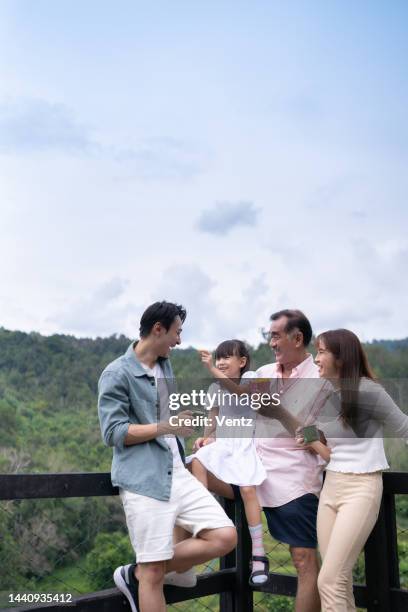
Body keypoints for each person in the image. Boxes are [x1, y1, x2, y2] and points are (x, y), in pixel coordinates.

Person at [98, 301, 237, 612]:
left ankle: (139, 571)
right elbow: (113, 433)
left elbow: (167, 420)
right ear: (158, 330)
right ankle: (148, 572)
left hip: (179, 473)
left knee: (225, 536)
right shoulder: (116, 373)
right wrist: (166, 426)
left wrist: (181, 427)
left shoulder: (165, 366)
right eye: (177, 332)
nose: (179, 340)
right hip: (144, 481)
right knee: (154, 575)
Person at [304, 328, 408, 612]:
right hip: (331, 486)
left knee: (328, 580)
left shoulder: (370, 391)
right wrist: (309, 434)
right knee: (339, 580)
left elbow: (404, 428)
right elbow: (323, 435)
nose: (316, 358)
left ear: (341, 357)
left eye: (322, 351)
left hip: (361, 488)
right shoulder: (326, 393)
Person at [254, 309, 330, 612]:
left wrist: (281, 415)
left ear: (297, 338)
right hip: (251, 470)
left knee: (303, 559)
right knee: (191, 469)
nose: (271, 343)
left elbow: (322, 437)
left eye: (275, 336)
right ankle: (173, 569)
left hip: (293, 477)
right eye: (269, 335)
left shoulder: (321, 378)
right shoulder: (262, 373)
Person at [191, 340, 269, 585]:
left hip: (247, 444)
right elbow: (212, 422)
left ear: (242, 362)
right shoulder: (215, 388)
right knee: (197, 460)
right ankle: (205, 520)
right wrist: (205, 438)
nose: (221, 362)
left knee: (247, 489)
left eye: (227, 358)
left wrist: (211, 369)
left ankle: (259, 554)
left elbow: (243, 394)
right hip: (225, 444)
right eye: (218, 358)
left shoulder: (254, 378)